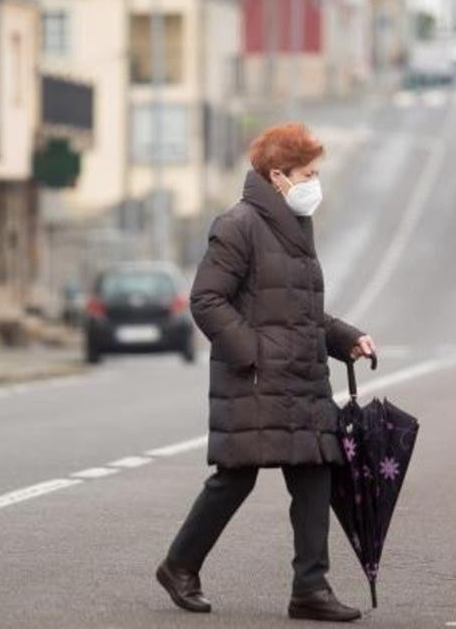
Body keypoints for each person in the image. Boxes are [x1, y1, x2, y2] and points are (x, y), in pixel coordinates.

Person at [156, 123, 376, 622]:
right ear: (278, 177)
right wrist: (253, 353)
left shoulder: (296, 227)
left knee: (316, 472)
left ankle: (310, 590)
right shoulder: (238, 225)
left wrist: (345, 338)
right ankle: (179, 565)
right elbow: (206, 299)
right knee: (235, 477)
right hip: (259, 378)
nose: (315, 182)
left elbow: (295, 310)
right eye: (308, 173)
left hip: (302, 378)